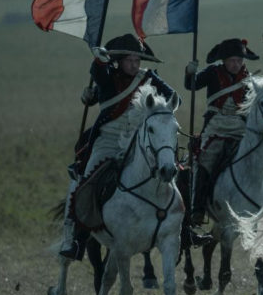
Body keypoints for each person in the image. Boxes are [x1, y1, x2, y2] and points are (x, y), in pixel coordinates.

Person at [60, 34, 176, 259]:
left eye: (137, 60)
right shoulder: (107, 78)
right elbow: (98, 74)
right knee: (87, 183)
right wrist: (99, 61)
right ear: (119, 61)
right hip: (108, 142)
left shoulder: (148, 77)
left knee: (169, 171)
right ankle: (75, 238)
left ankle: (182, 226)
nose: (134, 65)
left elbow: (172, 97)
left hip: (137, 142)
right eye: (129, 60)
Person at [184, 38, 259, 225]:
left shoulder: (249, 78)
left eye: (239, 60)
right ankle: (198, 209)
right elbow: (191, 85)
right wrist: (189, 73)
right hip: (216, 127)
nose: (236, 64)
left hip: (241, 128)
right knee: (205, 160)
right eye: (232, 60)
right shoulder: (212, 72)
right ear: (224, 60)